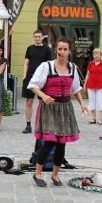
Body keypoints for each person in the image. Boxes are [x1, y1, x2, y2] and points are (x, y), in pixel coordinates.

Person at [27, 37, 87, 187]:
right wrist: (44, 95)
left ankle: (55, 175)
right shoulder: (46, 66)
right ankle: (38, 173)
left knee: (62, 144)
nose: (62, 52)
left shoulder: (72, 68)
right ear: (55, 50)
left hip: (65, 108)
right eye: (59, 49)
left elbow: (76, 89)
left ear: (69, 51)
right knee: (49, 142)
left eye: (65, 49)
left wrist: (82, 104)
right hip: (49, 107)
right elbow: (33, 85)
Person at [21, 29, 52, 134]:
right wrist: (24, 75)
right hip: (30, 77)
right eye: (36, 36)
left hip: (42, 78)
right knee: (29, 101)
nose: (37, 38)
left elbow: (48, 64)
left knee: (41, 102)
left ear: (42, 37)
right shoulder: (29, 48)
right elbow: (26, 62)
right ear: (33, 37)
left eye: (39, 36)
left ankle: (40, 125)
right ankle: (28, 125)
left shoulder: (47, 49)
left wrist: (48, 78)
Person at [84, 47, 102, 125]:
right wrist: (84, 84)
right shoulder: (90, 63)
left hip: (101, 85)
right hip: (91, 85)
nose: (96, 55)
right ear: (93, 55)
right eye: (95, 54)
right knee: (92, 102)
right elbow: (88, 74)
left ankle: (100, 119)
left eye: (98, 54)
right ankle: (93, 118)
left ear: (101, 55)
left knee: (100, 102)